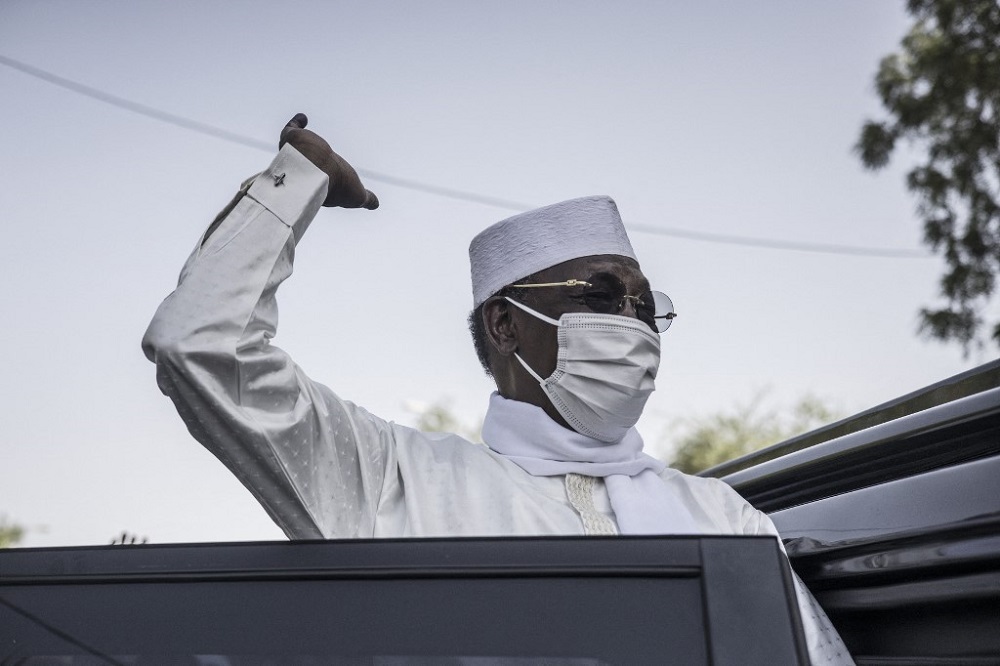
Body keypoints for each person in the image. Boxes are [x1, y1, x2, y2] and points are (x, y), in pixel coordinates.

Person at [142, 114, 853, 664]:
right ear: (507, 326)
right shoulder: (393, 483)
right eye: (603, 295)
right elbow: (200, 343)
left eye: (644, 306)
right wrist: (300, 180)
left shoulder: (724, 520)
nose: (633, 323)